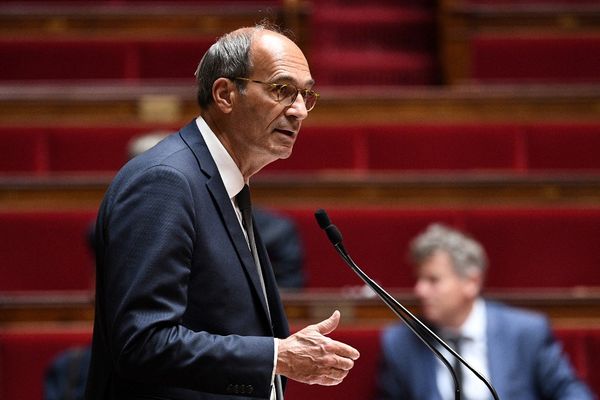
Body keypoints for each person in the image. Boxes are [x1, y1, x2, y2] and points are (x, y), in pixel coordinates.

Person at [85, 24, 359, 399]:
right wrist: (275, 355)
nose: (298, 111)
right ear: (225, 94)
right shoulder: (166, 182)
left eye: (306, 94)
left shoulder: (226, 183)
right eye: (282, 90)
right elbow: (142, 341)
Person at [376, 223, 595, 400]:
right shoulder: (400, 342)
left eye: (433, 280)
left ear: (471, 282)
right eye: (419, 279)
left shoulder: (526, 333)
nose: (420, 290)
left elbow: (572, 392)